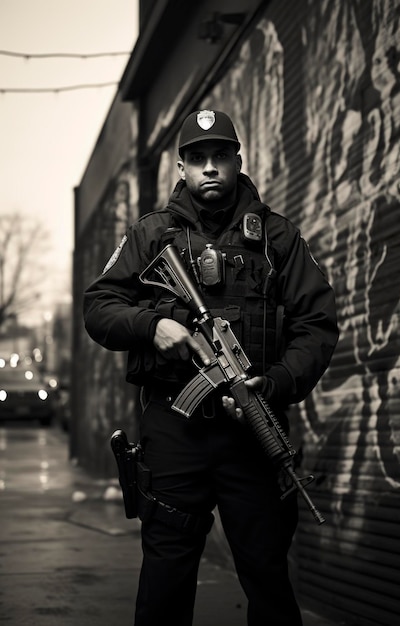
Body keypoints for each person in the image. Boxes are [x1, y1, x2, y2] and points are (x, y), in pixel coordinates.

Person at [83, 109, 339, 626]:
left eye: (219, 156)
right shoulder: (150, 235)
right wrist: (153, 324)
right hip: (173, 428)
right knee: (165, 580)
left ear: (237, 160)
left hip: (252, 426)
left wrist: (275, 382)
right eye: (196, 158)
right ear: (181, 167)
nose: (209, 168)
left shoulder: (277, 238)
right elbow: (99, 307)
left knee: (266, 575)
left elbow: (316, 324)